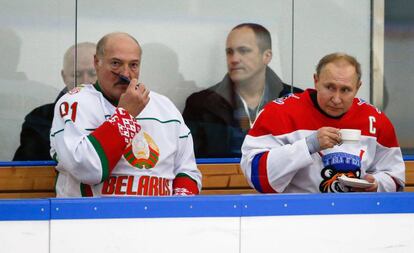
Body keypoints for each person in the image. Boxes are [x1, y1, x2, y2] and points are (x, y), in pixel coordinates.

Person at [50, 32, 201, 197]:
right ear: (97, 63)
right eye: (116, 63)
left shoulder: (165, 107)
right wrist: (126, 116)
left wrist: (177, 207)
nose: (126, 74)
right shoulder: (74, 103)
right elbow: (88, 170)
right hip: (94, 219)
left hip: (158, 219)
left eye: (133, 65)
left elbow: (188, 171)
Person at [241, 52, 405, 193]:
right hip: (293, 216)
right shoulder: (278, 113)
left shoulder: (375, 120)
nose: (336, 98)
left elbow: (396, 178)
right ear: (316, 80)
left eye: (345, 90)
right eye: (330, 87)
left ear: (358, 87)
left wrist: (376, 184)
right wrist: (307, 146)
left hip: (357, 216)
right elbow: (255, 174)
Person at [183, 23, 302, 158]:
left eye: (244, 51)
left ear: (267, 56)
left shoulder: (297, 100)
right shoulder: (200, 105)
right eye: (229, 52)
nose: (234, 59)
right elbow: (190, 165)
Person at [13, 42, 97, 161]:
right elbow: (24, 173)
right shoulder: (40, 119)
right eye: (76, 75)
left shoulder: (120, 115)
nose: (85, 81)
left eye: (93, 73)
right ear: (64, 77)